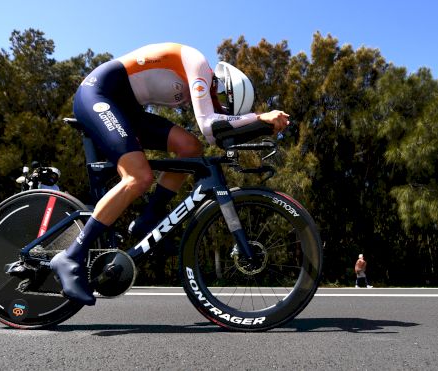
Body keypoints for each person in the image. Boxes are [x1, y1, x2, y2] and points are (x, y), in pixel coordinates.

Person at [50, 43, 290, 305]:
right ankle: (71, 255)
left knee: (190, 147)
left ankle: (149, 218)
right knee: (138, 177)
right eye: (224, 101)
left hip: (127, 110)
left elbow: (214, 136)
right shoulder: (199, 65)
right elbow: (210, 127)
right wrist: (260, 117)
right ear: (224, 85)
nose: (220, 107)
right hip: (98, 94)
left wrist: (260, 127)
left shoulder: (205, 87)